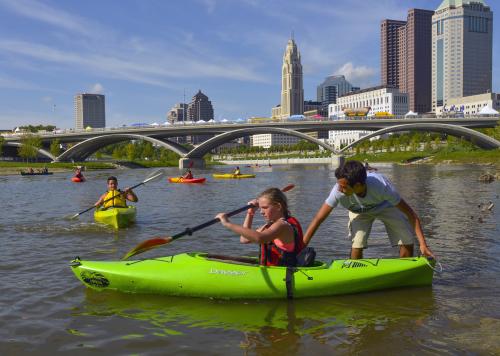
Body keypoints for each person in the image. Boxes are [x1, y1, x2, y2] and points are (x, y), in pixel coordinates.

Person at [303, 160, 434, 259]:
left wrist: (423, 244)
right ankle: (355, 275)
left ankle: (406, 272)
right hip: (359, 211)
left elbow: (411, 214)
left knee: (407, 239)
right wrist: (301, 246)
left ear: (358, 185)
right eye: (339, 185)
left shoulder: (382, 187)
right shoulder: (338, 191)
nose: (339, 189)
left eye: (343, 187)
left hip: (385, 206)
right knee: (357, 244)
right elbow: (318, 219)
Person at [216, 188, 305, 267]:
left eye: (265, 208)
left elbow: (260, 238)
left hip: (284, 275)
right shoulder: (273, 224)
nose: (261, 212)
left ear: (278, 206)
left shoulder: (283, 225)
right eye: (260, 208)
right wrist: (250, 213)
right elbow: (244, 239)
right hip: (276, 270)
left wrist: (227, 224)